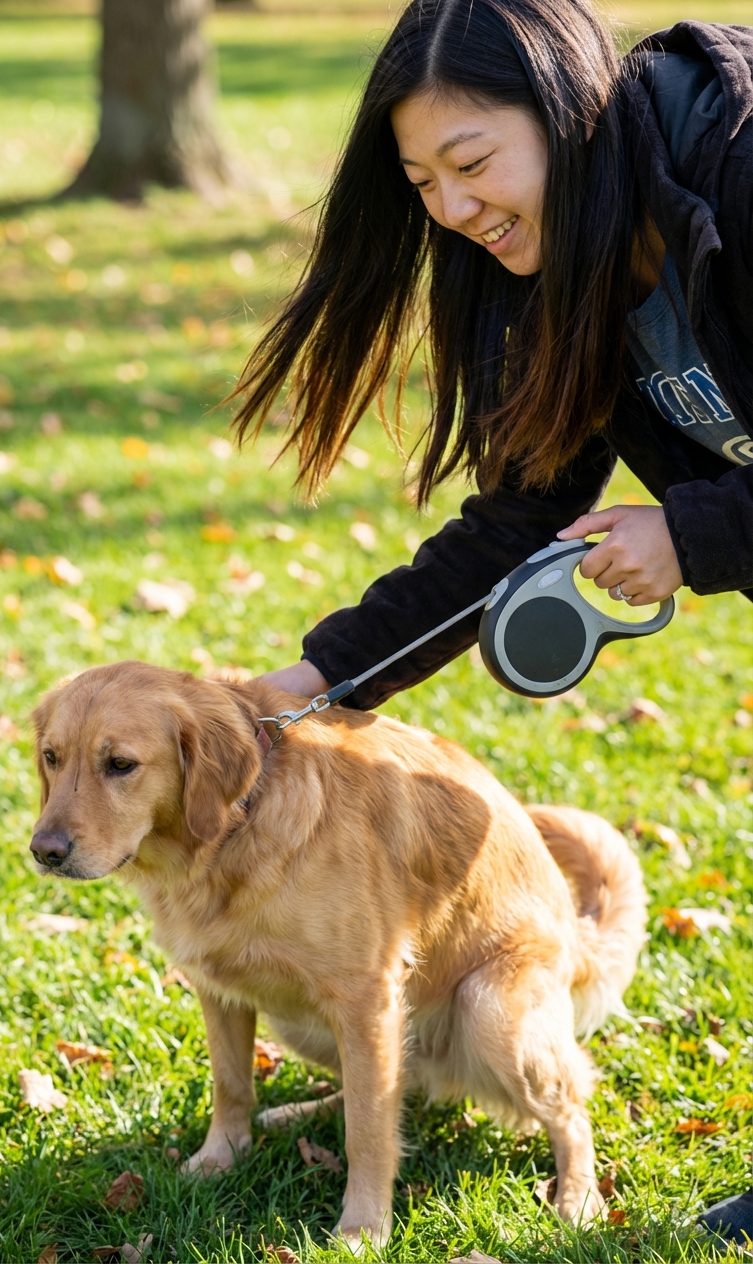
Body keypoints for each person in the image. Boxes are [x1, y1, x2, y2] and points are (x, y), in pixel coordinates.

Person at [232, 0, 752, 1238]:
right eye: (423, 184)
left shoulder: (733, 163)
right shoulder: (558, 266)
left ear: (566, 112)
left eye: (470, 164)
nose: (454, 209)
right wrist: (313, 677)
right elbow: (507, 531)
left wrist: (696, 531)